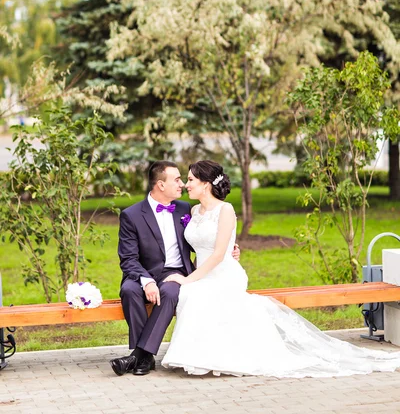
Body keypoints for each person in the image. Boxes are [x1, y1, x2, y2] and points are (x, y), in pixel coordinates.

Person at [161, 160, 400, 378]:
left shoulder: (226, 210)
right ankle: (200, 355)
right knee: (194, 294)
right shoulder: (194, 211)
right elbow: (201, 247)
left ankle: (216, 356)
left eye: (191, 179)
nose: (186, 184)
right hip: (204, 272)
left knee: (195, 293)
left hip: (222, 274)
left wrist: (189, 279)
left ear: (205, 184)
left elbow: (217, 254)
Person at [110, 160, 239, 376]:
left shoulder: (184, 209)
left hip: (173, 272)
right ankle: (145, 356)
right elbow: (128, 258)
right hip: (141, 272)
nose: (182, 184)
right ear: (161, 185)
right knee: (130, 291)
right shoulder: (131, 215)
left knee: (170, 291)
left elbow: (204, 236)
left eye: (184, 179)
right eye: (177, 179)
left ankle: (138, 357)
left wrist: (231, 247)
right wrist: (147, 281)